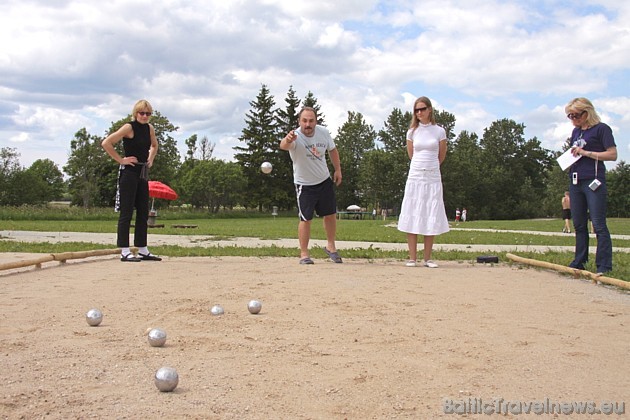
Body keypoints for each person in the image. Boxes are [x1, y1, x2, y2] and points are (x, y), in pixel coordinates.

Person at [279, 107, 343, 264]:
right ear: (299, 121)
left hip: (324, 180)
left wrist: (338, 170)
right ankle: (304, 254)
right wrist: (287, 139)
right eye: (304, 121)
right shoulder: (295, 136)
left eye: (311, 121)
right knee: (306, 218)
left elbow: (332, 150)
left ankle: (331, 246)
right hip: (304, 185)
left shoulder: (323, 132)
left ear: (316, 121)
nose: (308, 124)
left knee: (330, 214)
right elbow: (283, 146)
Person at [101, 99, 162, 262]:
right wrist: (121, 160)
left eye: (148, 114)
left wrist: (151, 159)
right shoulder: (129, 127)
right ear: (136, 113)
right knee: (126, 211)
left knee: (143, 211)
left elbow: (155, 146)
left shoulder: (149, 128)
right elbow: (106, 143)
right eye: (142, 113)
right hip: (129, 172)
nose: (145, 116)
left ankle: (142, 248)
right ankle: (124, 250)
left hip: (142, 171)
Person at [565, 97, 617, 274]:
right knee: (579, 224)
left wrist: (586, 153)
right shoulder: (576, 132)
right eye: (569, 116)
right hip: (575, 181)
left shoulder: (602, 129)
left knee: (598, 224)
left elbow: (612, 154)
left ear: (586, 113)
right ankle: (580, 260)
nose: (573, 119)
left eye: (576, 115)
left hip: (593, 181)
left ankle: (603, 265)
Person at [397, 96, 449, 268]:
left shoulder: (439, 131)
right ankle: (412, 257)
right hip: (415, 175)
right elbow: (411, 154)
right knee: (413, 211)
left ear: (429, 110)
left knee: (430, 213)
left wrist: (432, 167)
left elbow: (441, 155)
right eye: (416, 110)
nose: (419, 113)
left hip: (433, 176)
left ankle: (428, 258)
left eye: (422, 109)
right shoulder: (412, 132)